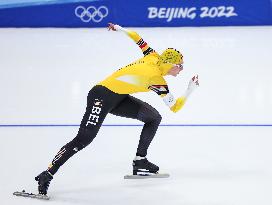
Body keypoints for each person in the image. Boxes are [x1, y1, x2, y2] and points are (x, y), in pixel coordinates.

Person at [35, 23, 199, 195]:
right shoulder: (156, 79)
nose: (181, 69)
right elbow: (175, 107)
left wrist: (119, 28)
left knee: (153, 118)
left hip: (119, 97)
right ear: (169, 64)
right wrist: (190, 89)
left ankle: (140, 160)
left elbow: (137, 37)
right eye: (179, 66)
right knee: (83, 139)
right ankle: (47, 173)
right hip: (101, 96)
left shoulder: (153, 56)